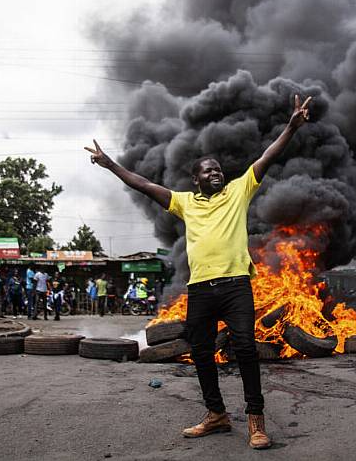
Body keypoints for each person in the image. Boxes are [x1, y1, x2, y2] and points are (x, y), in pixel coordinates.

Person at [85, 93, 312, 450]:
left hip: (236, 286)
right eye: (208, 170)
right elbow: (143, 185)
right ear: (196, 181)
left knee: (246, 350)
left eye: (218, 168)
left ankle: (256, 420)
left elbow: (267, 156)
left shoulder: (238, 191)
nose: (216, 172)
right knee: (202, 352)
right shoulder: (185, 203)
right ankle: (216, 414)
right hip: (202, 290)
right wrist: (110, 164)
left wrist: (291, 127)